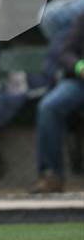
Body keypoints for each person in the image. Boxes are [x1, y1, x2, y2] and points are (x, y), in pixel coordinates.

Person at [32, 12, 84, 193]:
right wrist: (79, 66)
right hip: (80, 82)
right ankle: (51, 175)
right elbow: (66, 53)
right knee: (49, 107)